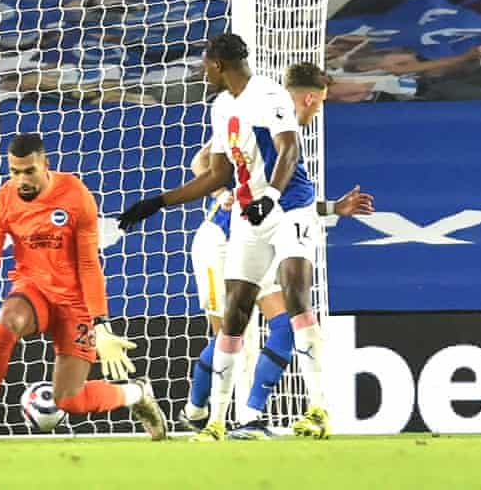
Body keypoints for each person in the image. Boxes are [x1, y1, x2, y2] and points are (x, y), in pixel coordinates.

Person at [118, 33, 331, 442]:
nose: (202, 71)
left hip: (290, 207)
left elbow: (290, 149)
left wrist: (270, 196)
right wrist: (158, 202)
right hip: (248, 216)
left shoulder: (269, 94)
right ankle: (216, 421)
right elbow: (217, 174)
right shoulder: (222, 106)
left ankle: (319, 409)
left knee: (297, 297)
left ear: (217, 64)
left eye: (204, 64)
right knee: (235, 317)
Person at [0, 133, 167, 443]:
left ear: (45, 165)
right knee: (5, 322)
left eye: (29, 171)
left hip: (74, 302)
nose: (21, 180)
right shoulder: (4, 201)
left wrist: (101, 325)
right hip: (33, 291)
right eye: (14, 172)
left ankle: (137, 392)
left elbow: (90, 265)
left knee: (70, 400)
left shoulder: (75, 195)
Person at [182, 63, 374, 438]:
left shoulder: (288, 134)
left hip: (270, 232)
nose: (318, 111)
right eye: (319, 104)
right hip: (219, 240)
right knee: (231, 333)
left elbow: (292, 202)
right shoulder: (251, 115)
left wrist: (333, 208)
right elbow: (200, 161)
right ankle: (196, 408)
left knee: (286, 323)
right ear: (309, 98)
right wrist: (223, 194)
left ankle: (251, 417)